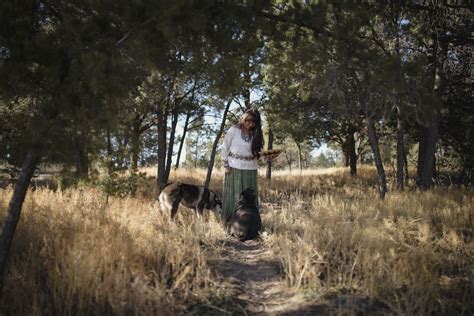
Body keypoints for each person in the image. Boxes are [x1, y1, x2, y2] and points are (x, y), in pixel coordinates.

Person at [221, 108, 264, 223]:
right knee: (234, 195)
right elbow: (225, 147)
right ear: (244, 118)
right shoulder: (234, 130)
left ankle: (249, 221)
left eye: (253, 122)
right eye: (248, 121)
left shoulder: (256, 133)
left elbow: (260, 152)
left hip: (251, 168)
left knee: (249, 196)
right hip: (234, 167)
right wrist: (226, 165)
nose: (250, 124)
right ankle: (230, 220)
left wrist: (267, 157)